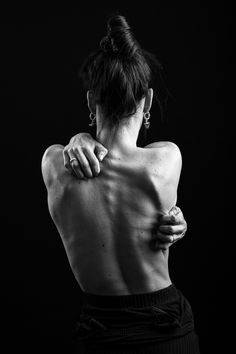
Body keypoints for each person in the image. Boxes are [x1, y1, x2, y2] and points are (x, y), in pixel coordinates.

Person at [41, 14, 200, 353]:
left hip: (101, 335)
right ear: (149, 101)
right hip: (168, 331)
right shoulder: (166, 160)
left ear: (89, 101)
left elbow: (66, 153)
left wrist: (80, 135)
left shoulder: (54, 164)